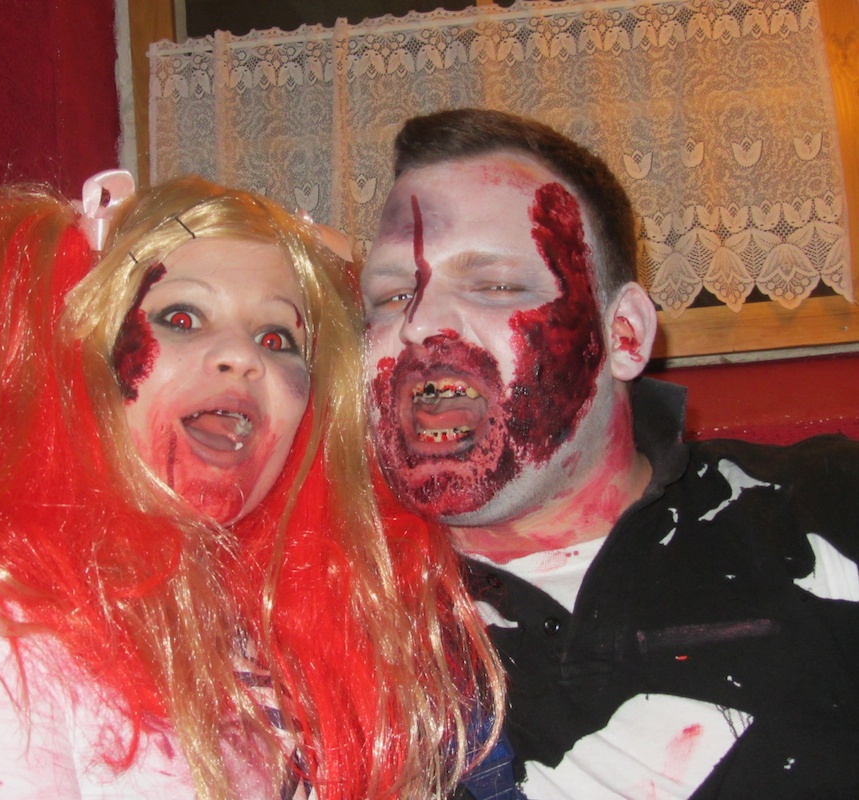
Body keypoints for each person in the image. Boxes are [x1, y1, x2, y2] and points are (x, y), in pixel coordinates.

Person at [0, 173, 505, 799]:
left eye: (277, 339)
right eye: (182, 317)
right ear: (87, 360)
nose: (241, 359)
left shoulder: (262, 629)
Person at [361, 108, 859, 799]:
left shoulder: (821, 504)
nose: (418, 324)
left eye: (495, 285)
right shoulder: (339, 600)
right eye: (390, 295)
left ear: (623, 334)